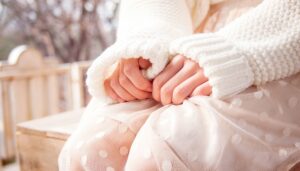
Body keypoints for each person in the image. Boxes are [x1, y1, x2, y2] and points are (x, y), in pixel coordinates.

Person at [58, 0, 300, 170]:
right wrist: (146, 38)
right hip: (187, 42)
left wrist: (235, 52)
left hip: (280, 45)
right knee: (91, 148)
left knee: (168, 147)